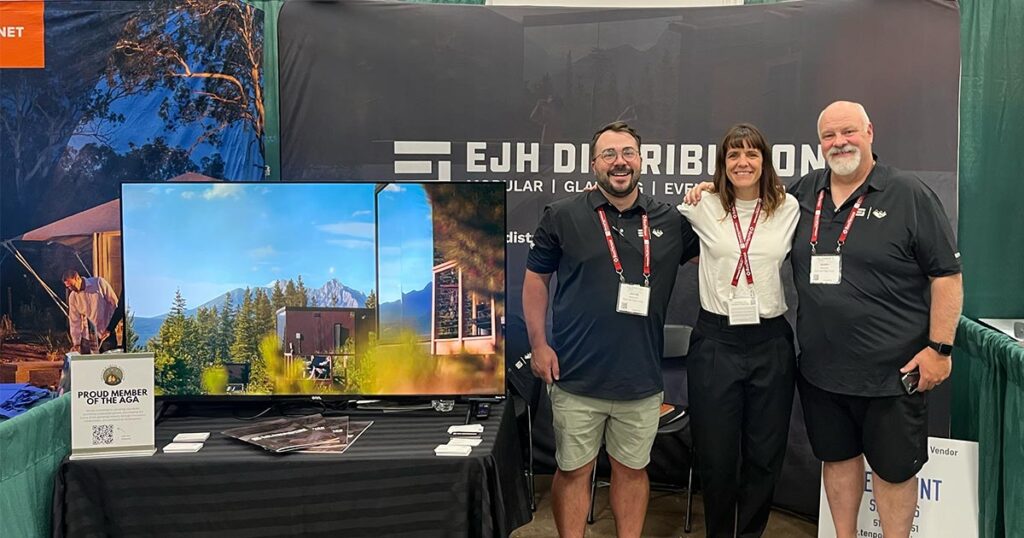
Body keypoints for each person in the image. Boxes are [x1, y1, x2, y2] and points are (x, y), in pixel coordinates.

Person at [687, 101, 963, 538]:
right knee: (837, 462)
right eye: (829, 136)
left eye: (848, 132)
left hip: (892, 371)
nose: (840, 142)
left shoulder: (908, 193)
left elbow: (946, 276)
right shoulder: (801, 195)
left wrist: (941, 349)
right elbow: (746, 199)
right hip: (822, 370)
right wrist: (709, 188)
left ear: (869, 131)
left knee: (893, 472)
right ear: (820, 144)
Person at [523, 121, 699, 538]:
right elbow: (535, 281)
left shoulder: (671, 221)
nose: (619, 162)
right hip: (575, 376)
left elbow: (721, 247)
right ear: (593, 164)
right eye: (609, 154)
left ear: (641, 160)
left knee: (632, 470)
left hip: (640, 379)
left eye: (628, 154)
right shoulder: (562, 216)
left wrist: (710, 194)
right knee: (573, 471)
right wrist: (538, 344)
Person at [677, 123, 799, 538]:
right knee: (716, 455)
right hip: (716, 341)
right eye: (733, 155)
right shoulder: (703, 206)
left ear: (764, 161)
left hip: (770, 342)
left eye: (751, 154)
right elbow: (656, 237)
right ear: (722, 164)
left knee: (765, 454)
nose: (742, 162)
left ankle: (749, 533)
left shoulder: (788, 208)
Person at [62, 269, 120, 354]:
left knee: (109, 363)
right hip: (87, 338)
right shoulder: (73, 297)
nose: (71, 289)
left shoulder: (99, 283)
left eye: (72, 285)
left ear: (77, 278)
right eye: (68, 287)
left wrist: (111, 325)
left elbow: (114, 303)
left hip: (106, 334)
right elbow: (74, 321)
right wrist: (76, 343)